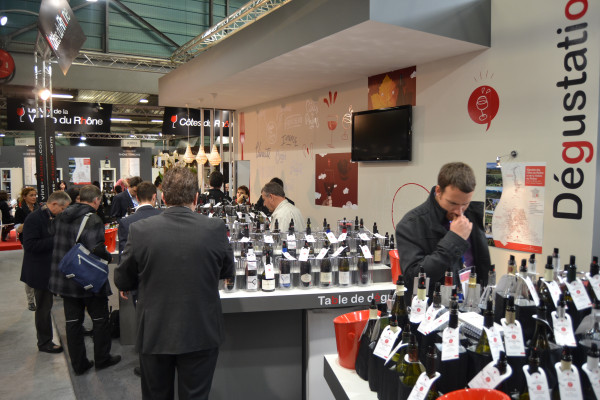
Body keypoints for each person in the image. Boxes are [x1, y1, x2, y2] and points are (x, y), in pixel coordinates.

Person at [115, 167, 235, 400]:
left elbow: (122, 279)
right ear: (196, 198)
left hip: (155, 331)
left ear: (163, 197)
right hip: (201, 330)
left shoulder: (139, 230)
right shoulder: (215, 228)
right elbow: (227, 271)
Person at [48, 184, 121, 375]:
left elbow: (52, 236)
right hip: (88, 278)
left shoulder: (61, 215)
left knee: (73, 322)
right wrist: (108, 257)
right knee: (100, 319)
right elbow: (95, 248)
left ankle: (79, 364)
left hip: (66, 277)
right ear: (96, 200)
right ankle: (102, 358)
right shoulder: (93, 219)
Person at [395, 162, 491, 296]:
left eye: (465, 204)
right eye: (452, 203)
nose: (459, 211)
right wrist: (455, 240)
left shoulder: (471, 216)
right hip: (433, 305)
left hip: (472, 302)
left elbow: (482, 266)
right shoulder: (411, 224)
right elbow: (413, 279)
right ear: (438, 191)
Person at [20, 190, 71, 354]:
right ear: (54, 204)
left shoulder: (53, 217)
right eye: (62, 208)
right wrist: (57, 240)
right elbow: (30, 245)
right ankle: (44, 342)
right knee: (43, 308)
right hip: (39, 271)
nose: (63, 211)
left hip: (51, 269)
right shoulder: (34, 219)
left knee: (47, 306)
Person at [118, 181, 162, 255]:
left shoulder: (125, 222)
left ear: (137, 198)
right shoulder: (165, 218)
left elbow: (124, 255)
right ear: (154, 197)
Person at [15, 186, 39, 311]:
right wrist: (31, 220)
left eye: (35, 195)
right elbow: (18, 229)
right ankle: (30, 299)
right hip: (28, 243)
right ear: (25, 197)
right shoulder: (20, 211)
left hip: (41, 241)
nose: (34, 197)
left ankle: (41, 296)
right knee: (30, 270)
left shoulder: (39, 208)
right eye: (31, 195)